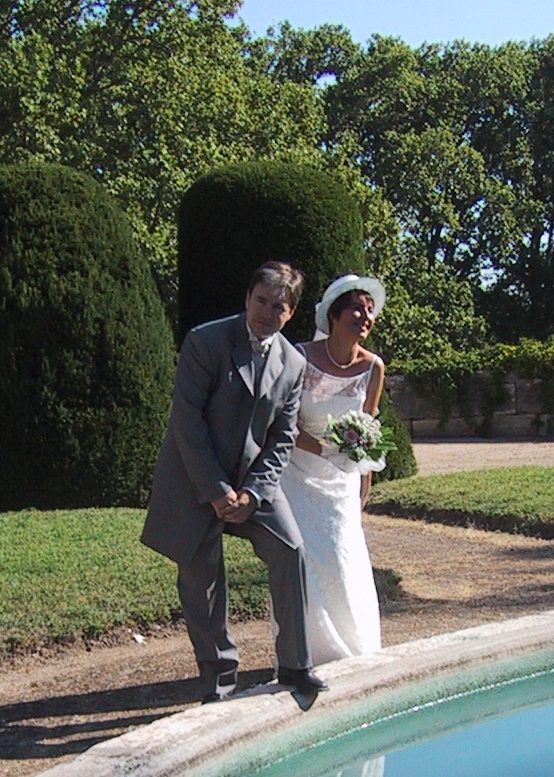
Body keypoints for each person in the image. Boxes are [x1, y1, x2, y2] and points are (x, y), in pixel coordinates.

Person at [141, 261, 325, 702]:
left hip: (253, 483)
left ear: (291, 313)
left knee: (291, 550)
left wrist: (253, 492)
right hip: (196, 478)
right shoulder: (205, 341)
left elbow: (282, 438)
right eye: (261, 301)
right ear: (247, 298)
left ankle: (296, 666)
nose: (266, 312)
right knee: (201, 580)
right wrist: (216, 491)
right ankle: (219, 682)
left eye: (278, 306)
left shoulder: (293, 363)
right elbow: (187, 423)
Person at [275, 273, 387, 666]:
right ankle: (305, 652)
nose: (365, 316)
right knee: (304, 561)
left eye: (370, 311)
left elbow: (369, 425)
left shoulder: (373, 367)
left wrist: (365, 479)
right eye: (357, 308)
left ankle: (354, 649)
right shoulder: (299, 358)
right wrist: (323, 449)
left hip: (343, 483)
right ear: (334, 315)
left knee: (343, 560)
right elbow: (283, 425)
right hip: (297, 477)